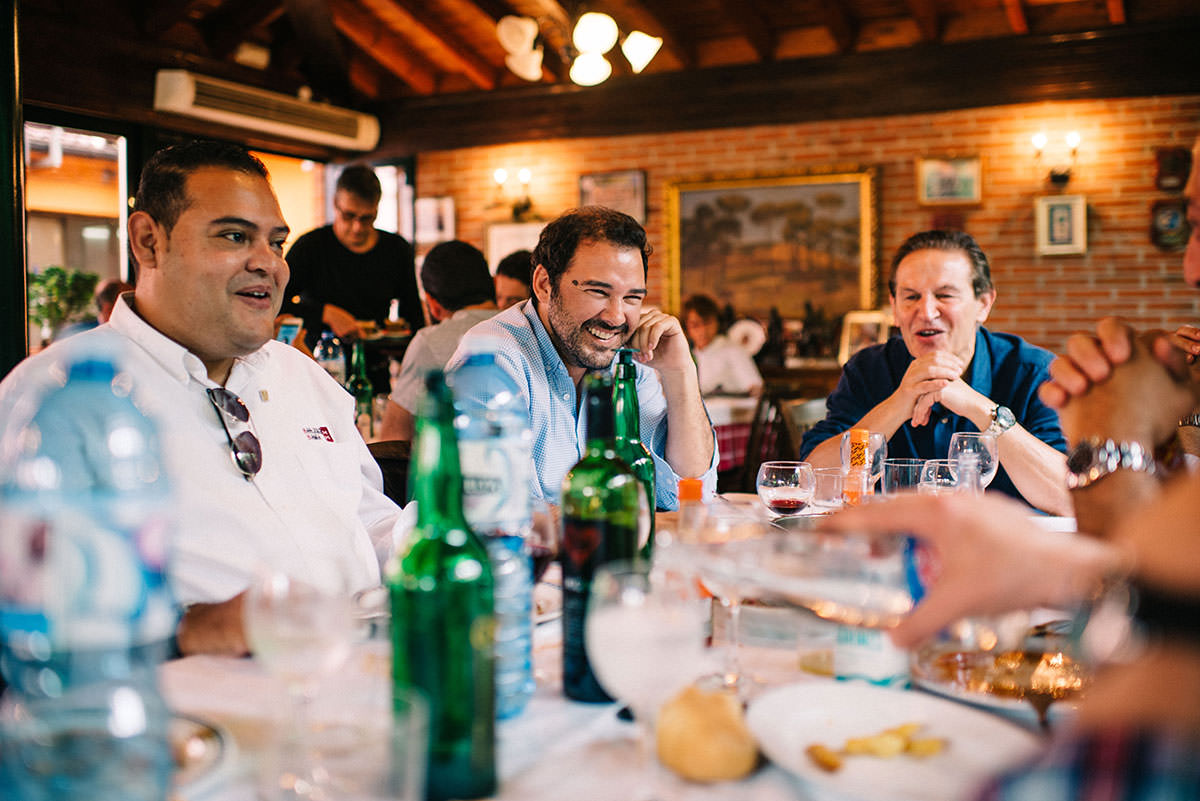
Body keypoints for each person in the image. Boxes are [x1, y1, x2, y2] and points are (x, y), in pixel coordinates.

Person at [0, 141, 410, 657]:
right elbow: (30, 613)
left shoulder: (304, 377)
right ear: (149, 242)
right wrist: (185, 631)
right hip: (199, 714)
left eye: (277, 244)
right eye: (235, 236)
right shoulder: (52, 398)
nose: (269, 265)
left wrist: (454, 540)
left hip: (366, 673)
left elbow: (369, 522)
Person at [446, 206, 718, 508]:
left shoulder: (627, 361)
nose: (616, 317)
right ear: (544, 285)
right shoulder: (494, 361)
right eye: (598, 292)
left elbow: (691, 492)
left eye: (632, 298)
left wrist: (680, 373)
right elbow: (490, 512)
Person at [800, 230, 1070, 514]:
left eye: (945, 295)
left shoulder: (1033, 372)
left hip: (1006, 551)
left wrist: (980, 408)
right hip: (892, 549)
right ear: (894, 307)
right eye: (911, 296)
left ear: (984, 303)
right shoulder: (868, 370)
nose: (927, 311)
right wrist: (897, 405)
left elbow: (1069, 497)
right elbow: (815, 483)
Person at [281, 164, 424, 391]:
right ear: (335, 204)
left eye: (367, 218)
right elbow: (275, 304)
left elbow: (413, 316)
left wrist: (398, 345)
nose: (357, 227)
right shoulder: (311, 246)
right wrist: (325, 313)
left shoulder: (396, 249)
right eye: (349, 216)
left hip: (374, 371)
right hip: (318, 369)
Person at [378, 240, 499, 441]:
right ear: (493, 284)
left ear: (432, 304)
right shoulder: (525, 327)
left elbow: (392, 440)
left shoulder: (429, 342)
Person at [682, 293, 763, 396]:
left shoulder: (732, 350)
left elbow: (756, 389)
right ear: (686, 327)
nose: (702, 330)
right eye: (695, 325)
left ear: (717, 322)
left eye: (707, 323)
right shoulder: (688, 355)